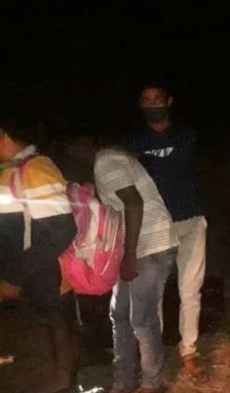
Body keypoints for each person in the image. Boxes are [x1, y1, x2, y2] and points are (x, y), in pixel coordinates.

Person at [67, 133, 179, 393]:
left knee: (141, 317)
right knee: (120, 315)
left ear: (83, 143)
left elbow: (134, 203)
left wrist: (129, 255)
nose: (71, 153)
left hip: (149, 245)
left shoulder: (104, 162)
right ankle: (124, 382)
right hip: (142, 244)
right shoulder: (110, 160)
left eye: (71, 146)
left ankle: (153, 384)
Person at [123, 81, 208, 381]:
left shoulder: (186, 134)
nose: (152, 104)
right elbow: (133, 177)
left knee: (190, 290)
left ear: (169, 101)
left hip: (190, 219)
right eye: (146, 100)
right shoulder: (132, 139)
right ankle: (153, 360)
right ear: (140, 105)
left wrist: (145, 163)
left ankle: (189, 352)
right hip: (153, 225)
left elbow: (179, 167)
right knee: (152, 295)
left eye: (157, 99)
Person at [0, 115, 79, 393]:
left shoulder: (36, 169)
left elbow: (60, 231)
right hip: (21, 284)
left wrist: (12, 277)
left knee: (50, 363)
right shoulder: (7, 171)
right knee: (25, 360)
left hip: (42, 283)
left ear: (3, 136)